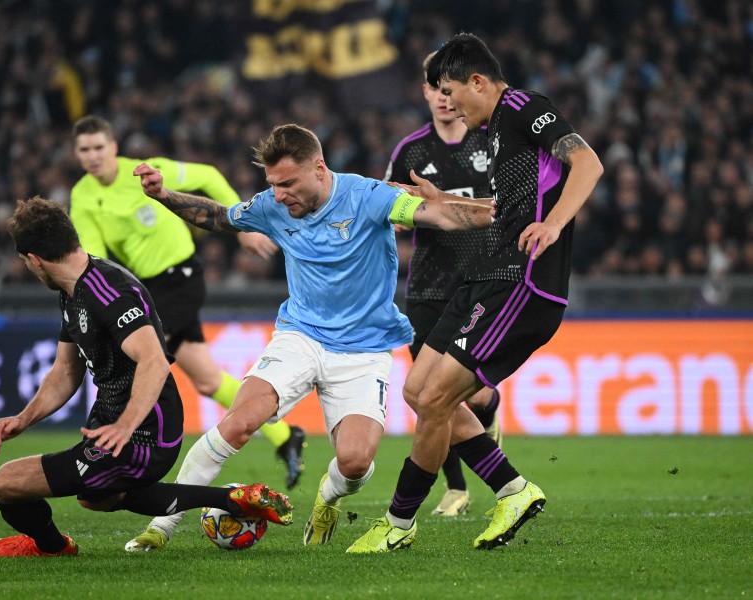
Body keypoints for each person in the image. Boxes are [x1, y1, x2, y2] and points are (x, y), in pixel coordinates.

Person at [127, 123, 495, 550]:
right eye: (273, 185)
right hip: (300, 337)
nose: (279, 195)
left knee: (355, 464)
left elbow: (442, 215)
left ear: (319, 168)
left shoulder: (369, 196)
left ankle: (328, 496)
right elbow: (219, 218)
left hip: (365, 348)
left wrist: (511, 212)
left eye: (287, 183)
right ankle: (161, 525)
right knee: (240, 422)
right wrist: (164, 196)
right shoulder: (272, 206)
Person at [348, 33, 603, 553]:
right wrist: (444, 204)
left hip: (521, 281)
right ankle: (512, 488)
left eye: (451, 90)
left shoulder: (524, 107)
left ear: (478, 81)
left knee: (438, 398)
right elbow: (502, 208)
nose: (451, 103)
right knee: (418, 391)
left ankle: (397, 524)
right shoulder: (493, 135)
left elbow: (588, 163)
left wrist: (553, 225)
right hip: (486, 275)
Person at [0, 196, 292, 557]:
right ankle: (233, 500)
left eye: (26, 262)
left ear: (34, 260)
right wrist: (25, 418)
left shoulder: (109, 290)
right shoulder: (73, 292)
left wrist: (126, 425)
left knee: (4, 484)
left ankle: (53, 547)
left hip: (146, 430)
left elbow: (154, 360)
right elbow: (66, 370)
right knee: (97, 497)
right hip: (116, 423)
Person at [69, 116, 306, 502]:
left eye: (99, 147)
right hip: (145, 289)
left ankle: (122, 451)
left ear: (114, 147)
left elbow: (209, 176)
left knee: (140, 359)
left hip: (179, 278)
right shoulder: (82, 196)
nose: (93, 156)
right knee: (208, 379)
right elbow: (95, 253)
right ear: (77, 155)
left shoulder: (146, 172)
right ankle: (286, 436)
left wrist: (241, 227)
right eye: (84, 150)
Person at [388, 51, 502, 518]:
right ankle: (456, 488)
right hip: (428, 290)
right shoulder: (410, 152)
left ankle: (488, 422)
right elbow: (388, 205)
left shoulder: (490, 143)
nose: (441, 96)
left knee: (474, 396)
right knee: (432, 396)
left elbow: (509, 204)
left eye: (446, 86)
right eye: (432, 88)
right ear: (425, 92)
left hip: (481, 283)